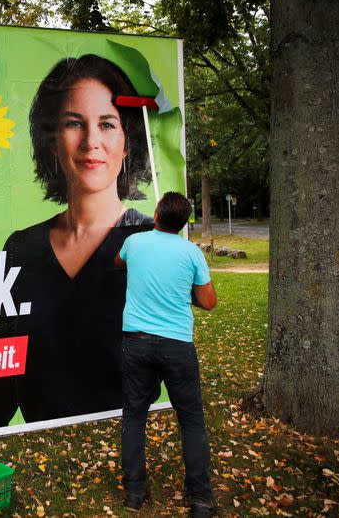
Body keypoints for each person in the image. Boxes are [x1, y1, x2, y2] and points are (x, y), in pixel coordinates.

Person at [0, 54, 154, 434]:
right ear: (51, 141)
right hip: (43, 456)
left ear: (127, 141)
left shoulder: (150, 242)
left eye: (107, 124)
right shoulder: (20, 249)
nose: (91, 141)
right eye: (74, 124)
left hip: (129, 446)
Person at [114, 191, 218, 517]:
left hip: (137, 342)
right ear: (185, 222)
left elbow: (117, 261)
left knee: (134, 416)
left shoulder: (135, 243)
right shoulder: (192, 254)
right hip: (176, 344)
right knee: (191, 421)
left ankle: (134, 492)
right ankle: (200, 499)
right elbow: (209, 301)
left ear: (156, 214)